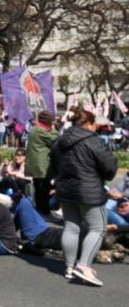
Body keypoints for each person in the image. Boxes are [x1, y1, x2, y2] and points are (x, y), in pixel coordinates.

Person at [49, 110, 117, 285]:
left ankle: (70, 267)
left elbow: (54, 166)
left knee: (71, 227)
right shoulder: (93, 141)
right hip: (90, 191)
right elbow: (110, 169)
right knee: (98, 228)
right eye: (95, 124)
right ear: (88, 124)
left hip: (65, 190)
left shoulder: (59, 142)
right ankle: (84, 265)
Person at [25, 111, 58, 215]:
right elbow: (55, 140)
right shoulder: (40, 131)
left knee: (39, 189)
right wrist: (54, 130)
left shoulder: (35, 129)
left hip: (35, 165)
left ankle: (40, 210)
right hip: (42, 165)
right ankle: (44, 211)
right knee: (44, 189)